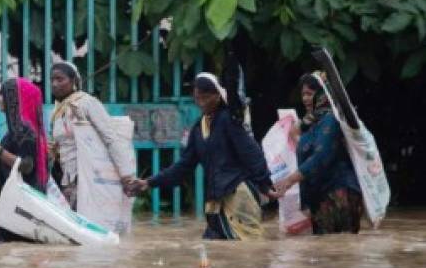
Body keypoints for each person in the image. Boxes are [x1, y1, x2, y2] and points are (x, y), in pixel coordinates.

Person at [125, 73, 278, 240]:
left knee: (248, 250)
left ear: (218, 96)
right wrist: (149, 182)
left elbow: (251, 153)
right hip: (215, 201)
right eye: (198, 98)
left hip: (238, 197)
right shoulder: (198, 129)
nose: (202, 102)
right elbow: (183, 166)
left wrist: (265, 183)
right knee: (215, 252)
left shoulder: (229, 120)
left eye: (206, 97)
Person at [48, 62, 135, 232]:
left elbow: (110, 138)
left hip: (89, 177)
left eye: (60, 79)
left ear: (73, 80)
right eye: (52, 80)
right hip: (68, 180)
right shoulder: (57, 111)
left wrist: (126, 174)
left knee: (91, 227)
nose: (55, 84)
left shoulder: (87, 103)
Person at [272, 73, 363, 234]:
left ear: (322, 94)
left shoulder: (331, 119)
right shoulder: (312, 123)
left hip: (338, 194)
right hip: (321, 196)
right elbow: (308, 152)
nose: (305, 98)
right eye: (303, 94)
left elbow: (320, 158)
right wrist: (295, 133)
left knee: (336, 251)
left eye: (310, 93)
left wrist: (289, 180)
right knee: (325, 252)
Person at [0, 77, 50, 243]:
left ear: (15, 99)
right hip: (17, 201)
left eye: (2, 94)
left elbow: (26, 166)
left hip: (21, 203)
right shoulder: (15, 130)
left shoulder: (24, 130)